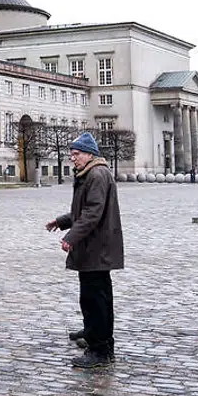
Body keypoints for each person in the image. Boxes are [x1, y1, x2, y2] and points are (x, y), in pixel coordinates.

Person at [46, 131, 124, 369]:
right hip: (94, 247)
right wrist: (62, 221)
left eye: (76, 154)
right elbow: (82, 211)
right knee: (94, 297)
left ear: (90, 155)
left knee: (95, 299)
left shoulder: (97, 175)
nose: (73, 158)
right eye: (71, 154)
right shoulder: (90, 173)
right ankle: (95, 335)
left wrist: (71, 237)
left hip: (96, 248)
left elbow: (92, 213)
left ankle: (100, 349)